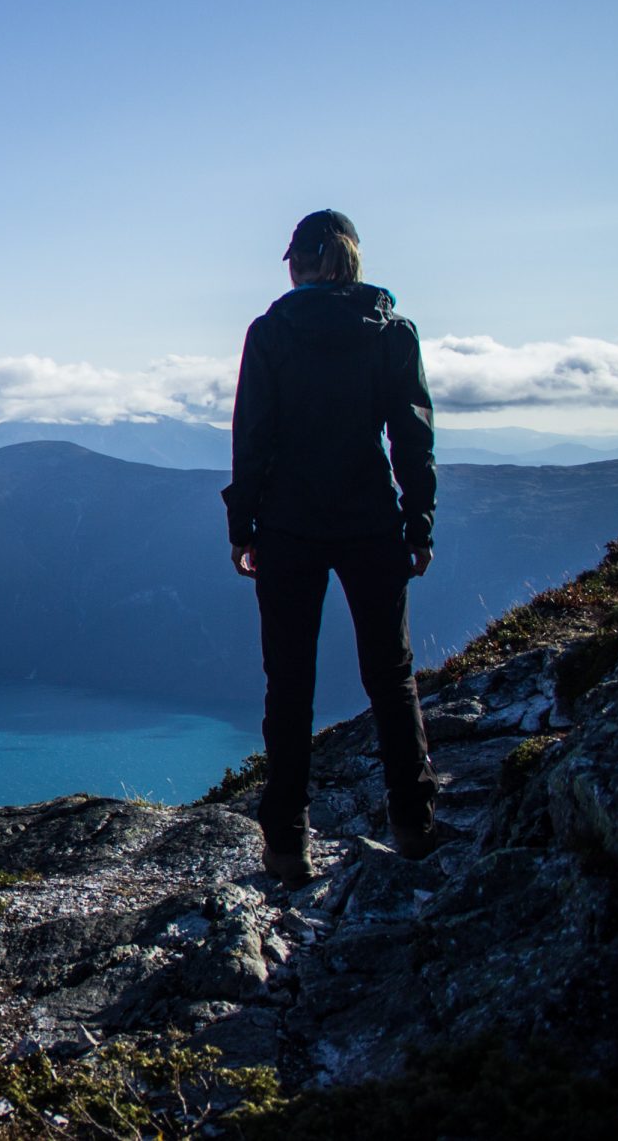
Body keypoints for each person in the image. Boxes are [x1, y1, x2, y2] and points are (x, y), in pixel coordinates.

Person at [222, 209, 439, 887]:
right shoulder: (392, 332)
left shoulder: (272, 333)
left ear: (306, 260)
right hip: (371, 521)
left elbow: (253, 433)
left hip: (288, 527)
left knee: (289, 684)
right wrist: (418, 520)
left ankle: (287, 845)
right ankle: (415, 823)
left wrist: (243, 525)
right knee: (391, 674)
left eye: (290, 256)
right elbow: (411, 435)